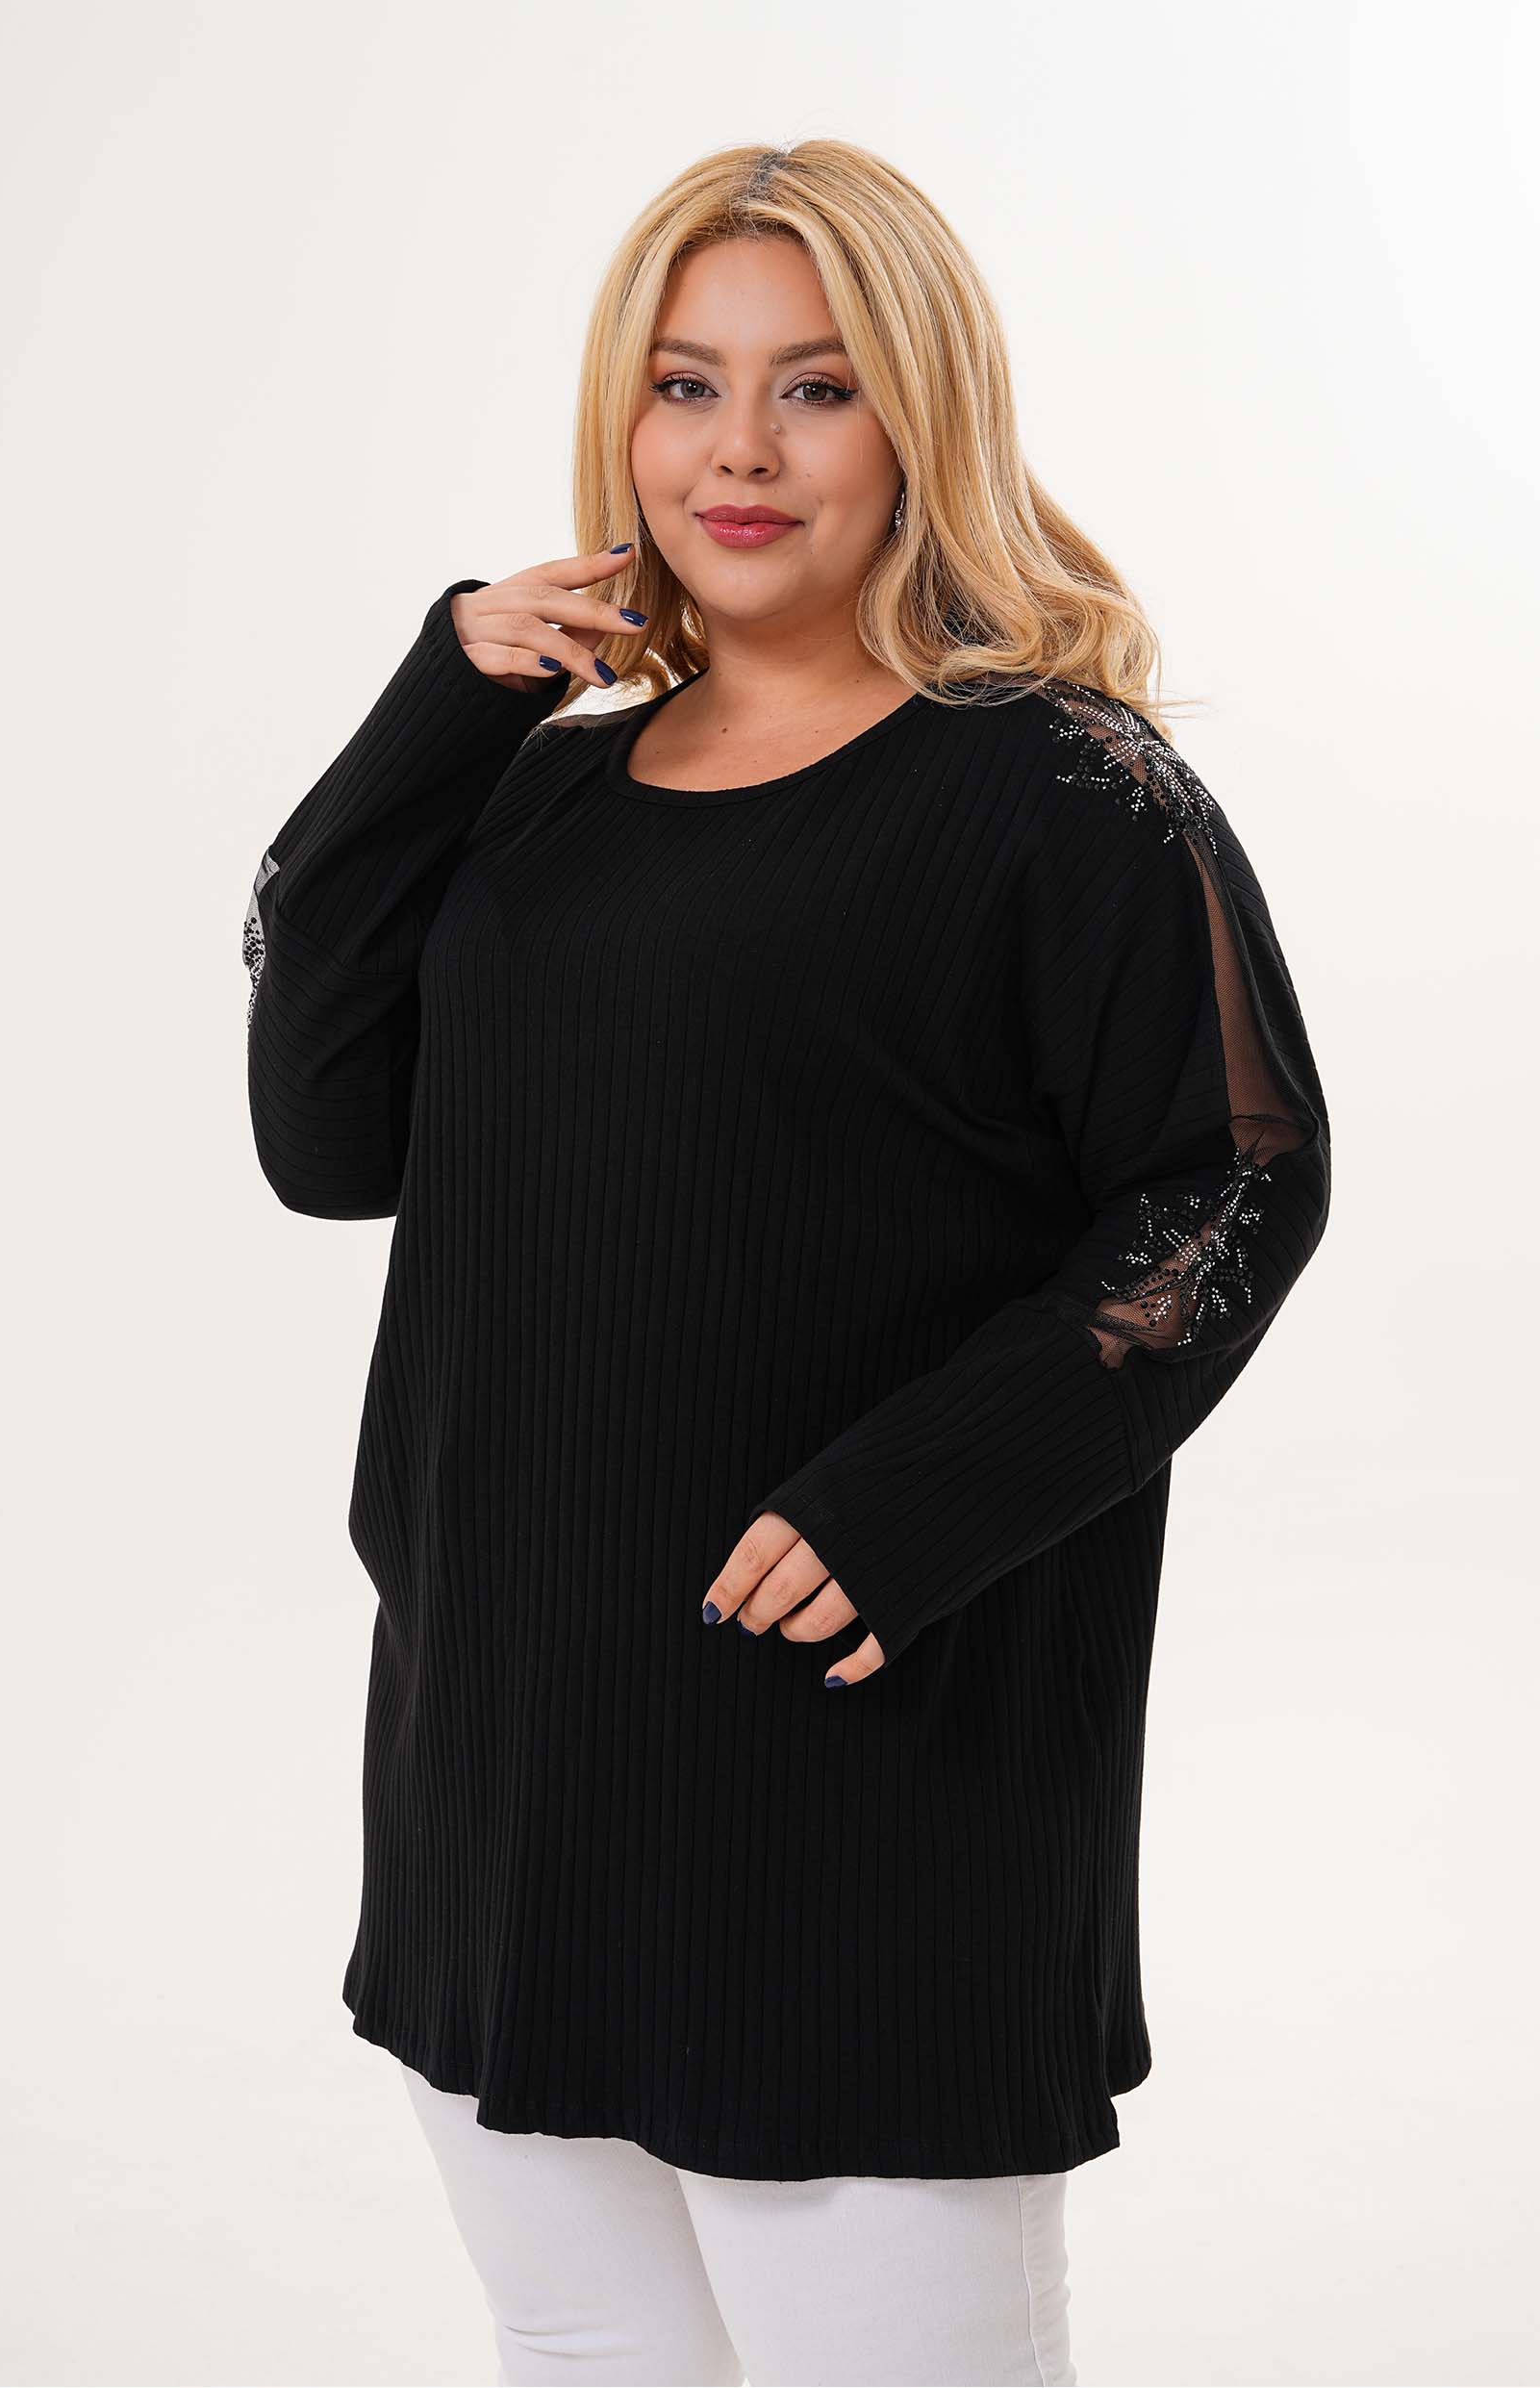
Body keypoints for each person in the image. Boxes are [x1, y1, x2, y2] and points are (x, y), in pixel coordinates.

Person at [242, 139, 1331, 2388]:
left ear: (918, 417)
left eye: (813, 387)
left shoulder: (1057, 791)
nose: (736, 451)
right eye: (686, 384)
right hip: (511, 1755)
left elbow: (1231, 1181)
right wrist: (444, 696)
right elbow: (323, 1134)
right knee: (586, 2346)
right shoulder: (539, 789)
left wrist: (912, 1497)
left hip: (864, 1775)